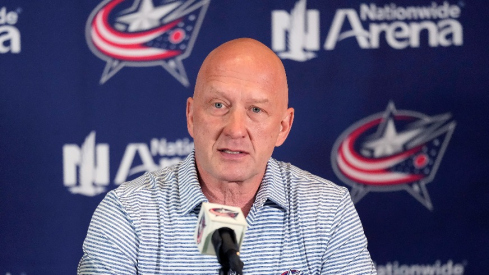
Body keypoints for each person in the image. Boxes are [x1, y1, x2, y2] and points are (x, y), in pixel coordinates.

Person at [78, 38, 376, 274]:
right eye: (219, 105)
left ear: (283, 127)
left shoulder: (328, 211)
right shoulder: (128, 216)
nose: (235, 129)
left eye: (256, 110)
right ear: (191, 116)